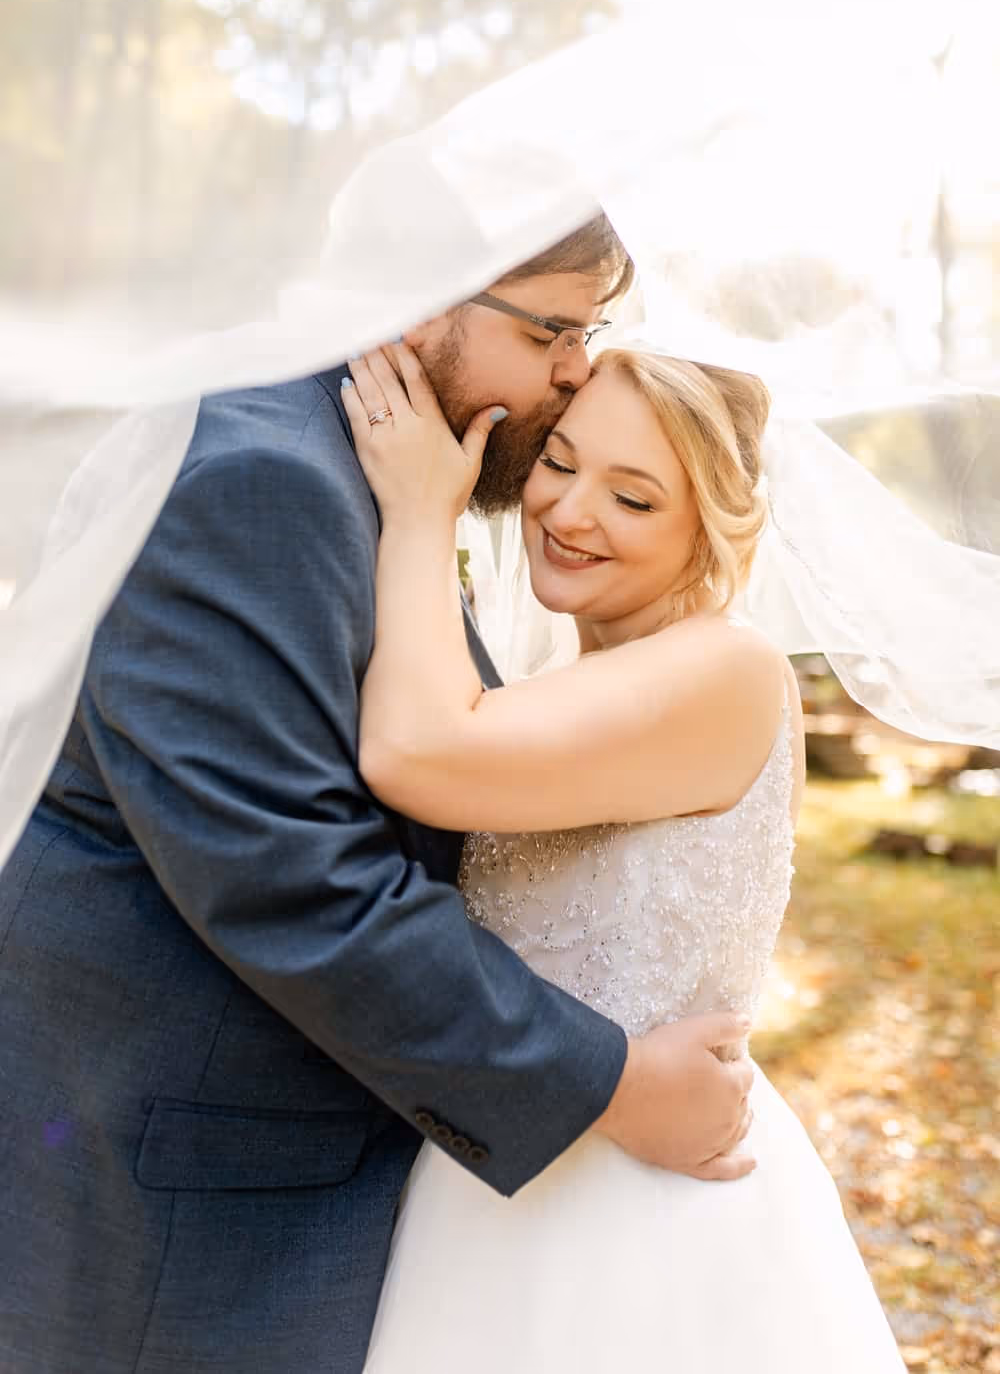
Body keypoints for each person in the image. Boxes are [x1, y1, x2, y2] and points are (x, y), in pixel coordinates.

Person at [0, 218, 756, 1374]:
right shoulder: (266, 477)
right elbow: (288, 876)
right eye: (555, 330)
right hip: (176, 1183)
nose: (573, 372)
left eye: (588, 334)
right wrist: (604, 1083)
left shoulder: (341, 460)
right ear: (419, 301)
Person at [341, 340, 907, 1372]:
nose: (566, 512)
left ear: (714, 526)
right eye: (558, 462)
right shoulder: (567, 680)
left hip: (638, 1217)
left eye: (634, 499)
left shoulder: (725, 671)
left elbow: (415, 751)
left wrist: (420, 514)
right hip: (496, 1175)